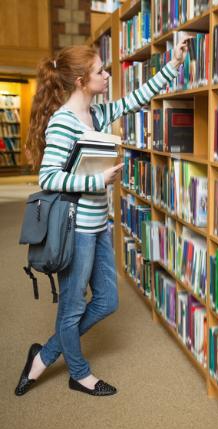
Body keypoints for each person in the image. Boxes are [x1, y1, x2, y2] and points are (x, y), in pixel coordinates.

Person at [15, 40, 187, 397]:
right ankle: (78, 373)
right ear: (80, 80)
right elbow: (48, 177)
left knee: (107, 300)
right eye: (100, 71)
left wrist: (173, 63)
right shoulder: (62, 123)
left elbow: (136, 98)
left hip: (99, 226)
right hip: (75, 229)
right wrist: (97, 180)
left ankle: (44, 355)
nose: (107, 75)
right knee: (73, 307)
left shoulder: (98, 114)